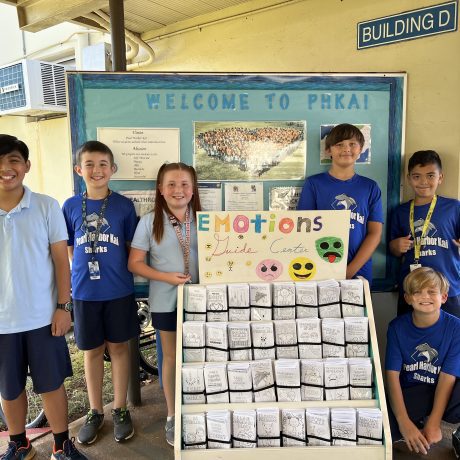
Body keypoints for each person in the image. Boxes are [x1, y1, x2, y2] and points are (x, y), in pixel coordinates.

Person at [0, 134, 88, 460]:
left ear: (26, 165)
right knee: (9, 388)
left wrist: (63, 306)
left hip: (43, 317)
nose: (6, 168)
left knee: (51, 384)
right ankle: (19, 444)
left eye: (13, 160)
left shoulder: (46, 206)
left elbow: (61, 261)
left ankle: (62, 445)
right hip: (2, 322)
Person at [62, 141, 139, 445]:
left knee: (119, 348)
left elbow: (131, 247)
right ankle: (95, 411)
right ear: (78, 169)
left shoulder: (123, 206)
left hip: (118, 290)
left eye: (103, 164)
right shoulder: (70, 206)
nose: (97, 170)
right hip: (85, 293)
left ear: (113, 169)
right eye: (90, 164)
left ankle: (120, 408)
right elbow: (70, 247)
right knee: (92, 351)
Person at [128, 162, 201, 447]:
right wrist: (166, 277)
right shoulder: (150, 222)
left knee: (200, 356)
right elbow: (134, 263)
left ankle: (200, 410)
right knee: (170, 357)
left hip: (202, 300)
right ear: (160, 189)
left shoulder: (206, 219)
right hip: (165, 300)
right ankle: (172, 415)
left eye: (184, 184)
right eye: (171, 184)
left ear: (193, 189)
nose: (178, 190)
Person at [385, 267, 460, 456]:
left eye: (432, 291)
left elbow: (448, 377)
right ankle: (416, 420)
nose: (425, 296)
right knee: (386, 426)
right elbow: (392, 376)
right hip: (414, 390)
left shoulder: (455, 327)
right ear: (408, 298)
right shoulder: (396, 327)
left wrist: (434, 423)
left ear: (444, 297)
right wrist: (404, 422)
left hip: (445, 388)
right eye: (417, 292)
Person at [297, 123, 383, 284]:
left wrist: (349, 271)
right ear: (328, 150)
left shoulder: (370, 187)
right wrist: (327, 269)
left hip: (359, 270)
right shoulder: (314, 184)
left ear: (361, 149)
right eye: (339, 144)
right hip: (321, 269)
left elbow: (375, 233)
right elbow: (304, 229)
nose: (346, 149)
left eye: (352, 144)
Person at [389, 150, 460, 317]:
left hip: (448, 289)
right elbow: (393, 250)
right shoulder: (401, 212)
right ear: (408, 178)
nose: (423, 182)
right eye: (416, 176)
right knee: (410, 331)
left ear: (440, 177)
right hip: (412, 291)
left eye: (430, 176)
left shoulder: (453, 207)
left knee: (452, 332)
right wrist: (396, 246)